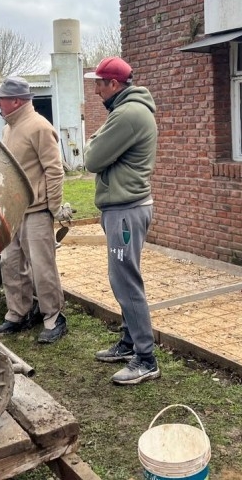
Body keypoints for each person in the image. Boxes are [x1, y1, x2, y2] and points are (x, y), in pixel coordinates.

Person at [83, 57, 159, 385]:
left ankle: (146, 358)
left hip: (126, 210)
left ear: (114, 84)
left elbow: (92, 158)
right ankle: (129, 343)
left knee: (125, 281)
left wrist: (95, 145)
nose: (96, 89)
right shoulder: (126, 110)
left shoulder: (128, 114)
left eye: (99, 83)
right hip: (123, 207)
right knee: (124, 278)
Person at [0, 76, 71, 344]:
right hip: (14, 211)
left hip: (36, 211)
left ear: (16, 100)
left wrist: (55, 207)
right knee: (10, 262)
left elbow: (54, 169)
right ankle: (18, 313)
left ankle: (53, 317)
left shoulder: (39, 127)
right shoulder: (8, 129)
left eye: (1, 98)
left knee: (41, 266)